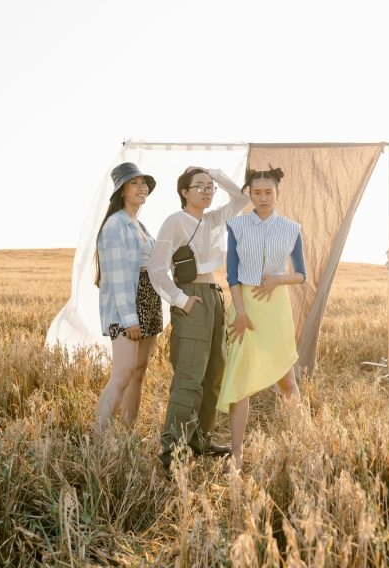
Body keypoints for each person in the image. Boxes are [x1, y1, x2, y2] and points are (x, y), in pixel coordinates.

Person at [148, 166, 249, 474]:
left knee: (214, 374)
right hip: (192, 297)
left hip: (215, 296)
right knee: (189, 377)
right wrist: (180, 300)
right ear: (184, 192)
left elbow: (241, 198)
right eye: (199, 186)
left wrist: (217, 175)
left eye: (210, 187)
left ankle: (200, 440)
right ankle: (172, 451)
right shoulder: (175, 221)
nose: (206, 191)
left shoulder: (211, 219)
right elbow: (155, 267)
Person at [217, 166, 306, 472]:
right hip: (245, 308)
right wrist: (239, 313)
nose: (264, 198)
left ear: (278, 193)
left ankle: (302, 440)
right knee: (240, 380)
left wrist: (278, 280)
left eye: (269, 192)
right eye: (257, 193)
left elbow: (301, 275)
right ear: (250, 195)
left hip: (276, 308)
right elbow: (231, 274)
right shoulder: (237, 225)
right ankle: (237, 453)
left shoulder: (292, 228)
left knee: (286, 379)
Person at [94, 162, 162, 433]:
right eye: (134, 182)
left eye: (144, 182)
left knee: (139, 370)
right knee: (122, 373)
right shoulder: (115, 224)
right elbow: (120, 278)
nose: (141, 187)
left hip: (149, 300)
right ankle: (98, 439)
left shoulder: (140, 224)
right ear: (121, 190)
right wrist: (130, 318)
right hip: (128, 307)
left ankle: (128, 433)